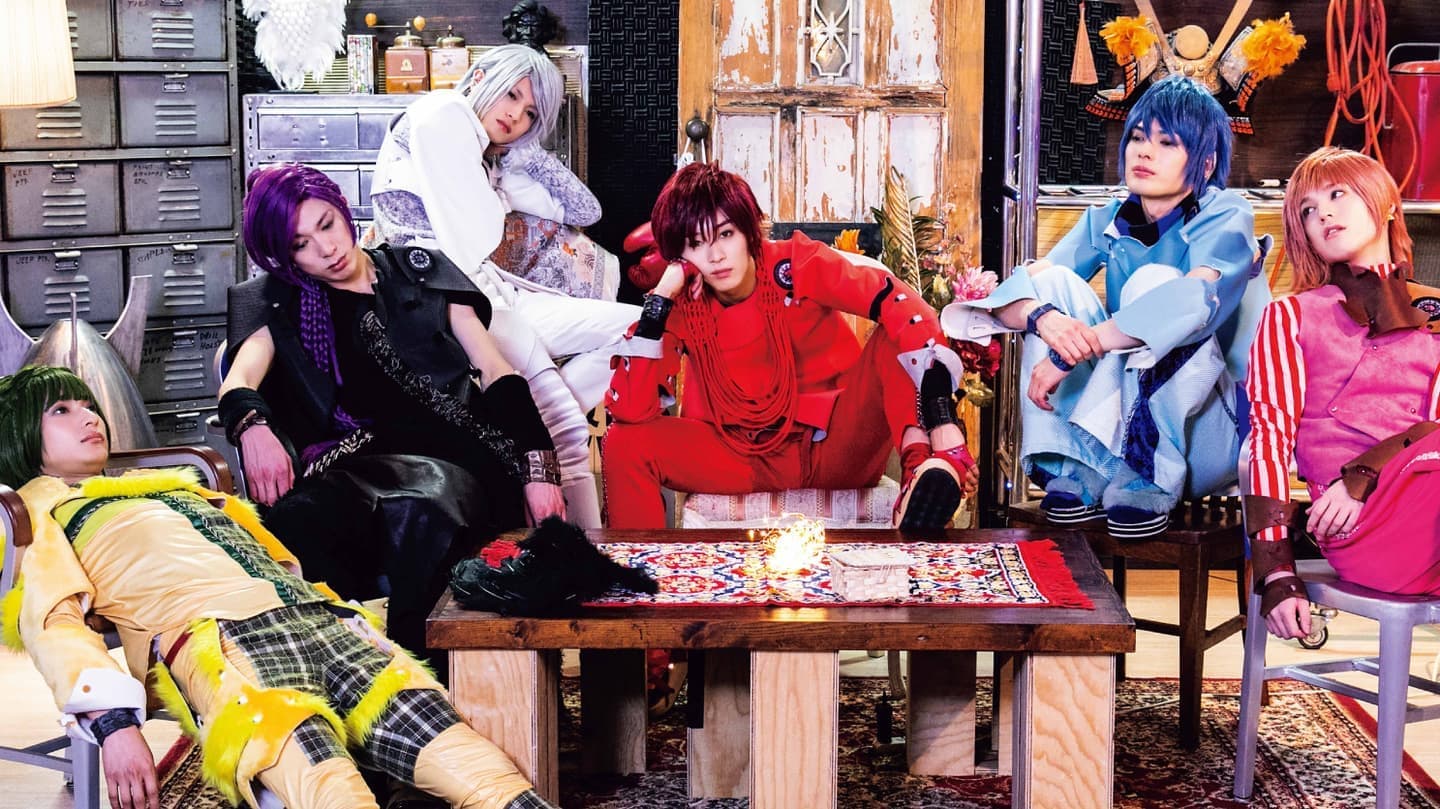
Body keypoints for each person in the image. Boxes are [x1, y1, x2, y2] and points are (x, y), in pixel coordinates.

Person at [0, 365, 558, 809]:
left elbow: (279, 562)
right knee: (334, 793)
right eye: (61, 410)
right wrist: (114, 725)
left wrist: (347, 614)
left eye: (88, 404)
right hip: (225, 645)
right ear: (20, 436)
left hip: (320, 622)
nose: (89, 416)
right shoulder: (42, 517)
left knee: (487, 775)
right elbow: (53, 621)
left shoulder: (175, 489)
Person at [219, 164, 563, 669]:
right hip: (350, 465)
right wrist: (253, 428)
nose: (326, 249)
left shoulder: (420, 272)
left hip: (455, 458)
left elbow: (496, 371)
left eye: (326, 224)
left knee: (424, 514)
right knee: (295, 522)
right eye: (300, 245)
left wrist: (539, 471)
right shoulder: (281, 302)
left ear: (342, 209)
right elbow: (238, 381)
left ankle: (427, 688)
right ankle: (349, 679)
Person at [943, 74, 1271, 539]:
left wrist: (1080, 348)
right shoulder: (1108, 219)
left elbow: (1193, 301)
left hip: (1211, 435)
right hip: (1119, 433)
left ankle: (1149, 474)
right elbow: (1015, 293)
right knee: (1052, 286)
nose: (1144, 152)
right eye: (1137, 137)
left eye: (1166, 143)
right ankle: (1077, 465)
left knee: (1155, 284)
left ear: (1205, 162)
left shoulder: (1227, 213)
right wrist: (1046, 320)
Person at [602, 161, 979, 531]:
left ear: (748, 230)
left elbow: (902, 305)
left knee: (894, 332)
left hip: (833, 448)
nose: (715, 256)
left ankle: (920, 472)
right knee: (624, 442)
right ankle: (638, 565)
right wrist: (660, 302)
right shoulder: (683, 302)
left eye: (726, 234)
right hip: (737, 456)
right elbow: (631, 410)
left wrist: (942, 421)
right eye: (696, 244)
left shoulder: (796, 263)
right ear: (679, 256)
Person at [369, 43, 639, 528]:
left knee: (637, 330)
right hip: (453, 303)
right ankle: (582, 551)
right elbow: (477, 236)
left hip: (495, 295)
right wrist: (498, 198)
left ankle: (546, 420)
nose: (515, 115)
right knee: (568, 436)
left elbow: (585, 210)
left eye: (531, 112)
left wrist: (526, 153)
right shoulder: (444, 114)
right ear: (480, 79)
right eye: (511, 95)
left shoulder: (486, 158)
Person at [1245, 147, 1440, 641]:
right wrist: (1276, 570)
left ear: (1387, 204)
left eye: (1337, 194)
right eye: (1307, 210)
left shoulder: (1434, 312)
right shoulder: (1289, 317)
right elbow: (1268, 443)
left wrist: (1367, 469)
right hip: (1364, 531)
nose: (1323, 214)